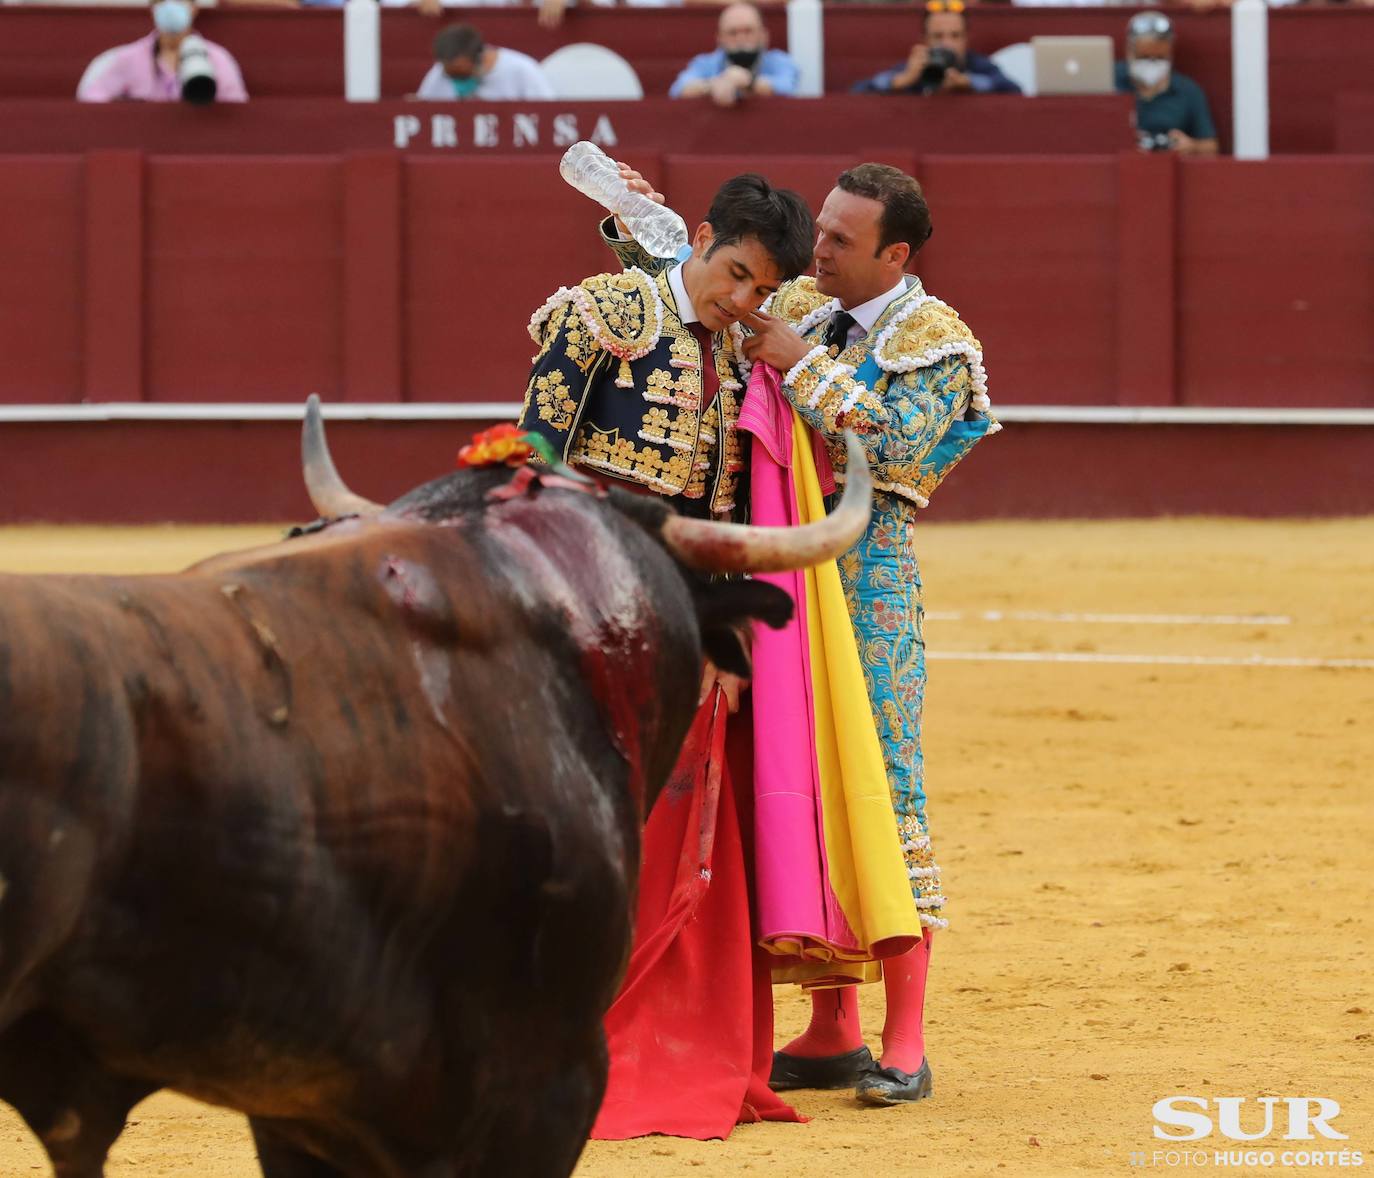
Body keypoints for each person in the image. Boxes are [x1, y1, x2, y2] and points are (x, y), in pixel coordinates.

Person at [603, 161, 998, 1107]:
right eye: (818, 230)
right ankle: (832, 1026)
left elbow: (899, 451)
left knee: (881, 780)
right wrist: (636, 222)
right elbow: (702, 293)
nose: (815, 251)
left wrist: (803, 366)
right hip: (779, 579)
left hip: (868, 592)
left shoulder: (935, 341)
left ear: (894, 254)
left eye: (838, 240)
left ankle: (905, 1035)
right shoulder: (806, 309)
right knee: (796, 780)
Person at [519, 173, 815, 1140]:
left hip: (677, 609)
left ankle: (668, 1031)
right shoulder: (606, 311)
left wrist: (720, 637)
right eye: (734, 274)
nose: (742, 302)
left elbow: (719, 512)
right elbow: (536, 460)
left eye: (761, 292)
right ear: (698, 239)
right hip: (583, 592)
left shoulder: (734, 353)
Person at [77, 0, 247, 103]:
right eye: (161, 1)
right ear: (153, 8)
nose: (170, 6)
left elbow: (236, 112)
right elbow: (91, 101)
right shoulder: (127, 59)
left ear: (194, 7)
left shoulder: (218, 60)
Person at [852, 0, 1020, 96]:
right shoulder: (915, 68)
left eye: (955, 35)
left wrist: (968, 83)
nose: (946, 43)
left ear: (966, 39)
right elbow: (857, 92)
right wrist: (901, 81)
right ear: (925, 40)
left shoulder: (979, 65)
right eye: (938, 36)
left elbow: (1013, 91)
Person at [1118, 10, 1218, 155]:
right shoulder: (1109, 83)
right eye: (1144, 57)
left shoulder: (1188, 91)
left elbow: (1211, 148)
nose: (1151, 63)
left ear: (1170, 53)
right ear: (1129, 51)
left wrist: (1192, 147)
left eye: (1160, 57)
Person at [669, 2, 799, 107]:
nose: (741, 38)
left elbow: (788, 86)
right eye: (733, 32)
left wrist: (748, 83)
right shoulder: (706, 63)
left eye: (748, 31)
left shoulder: (779, 61)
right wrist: (712, 85)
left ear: (764, 35)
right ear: (720, 38)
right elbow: (677, 89)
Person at [414, 23, 554, 101]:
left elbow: (548, 113)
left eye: (463, 75)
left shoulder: (522, 69)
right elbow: (423, 108)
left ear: (481, 58)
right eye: (452, 76)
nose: (458, 81)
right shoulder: (439, 72)